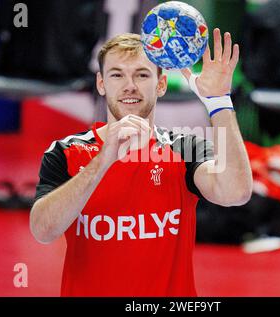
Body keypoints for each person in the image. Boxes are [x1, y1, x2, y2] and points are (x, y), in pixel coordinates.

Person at [29, 29, 252, 296]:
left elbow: (236, 193)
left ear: (161, 84)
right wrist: (103, 160)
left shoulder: (183, 149)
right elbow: (43, 231)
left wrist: (218, 102)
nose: (129, 85)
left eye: (142, 74)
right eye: (117, 74)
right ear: (101, 83)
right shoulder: (66, 152)